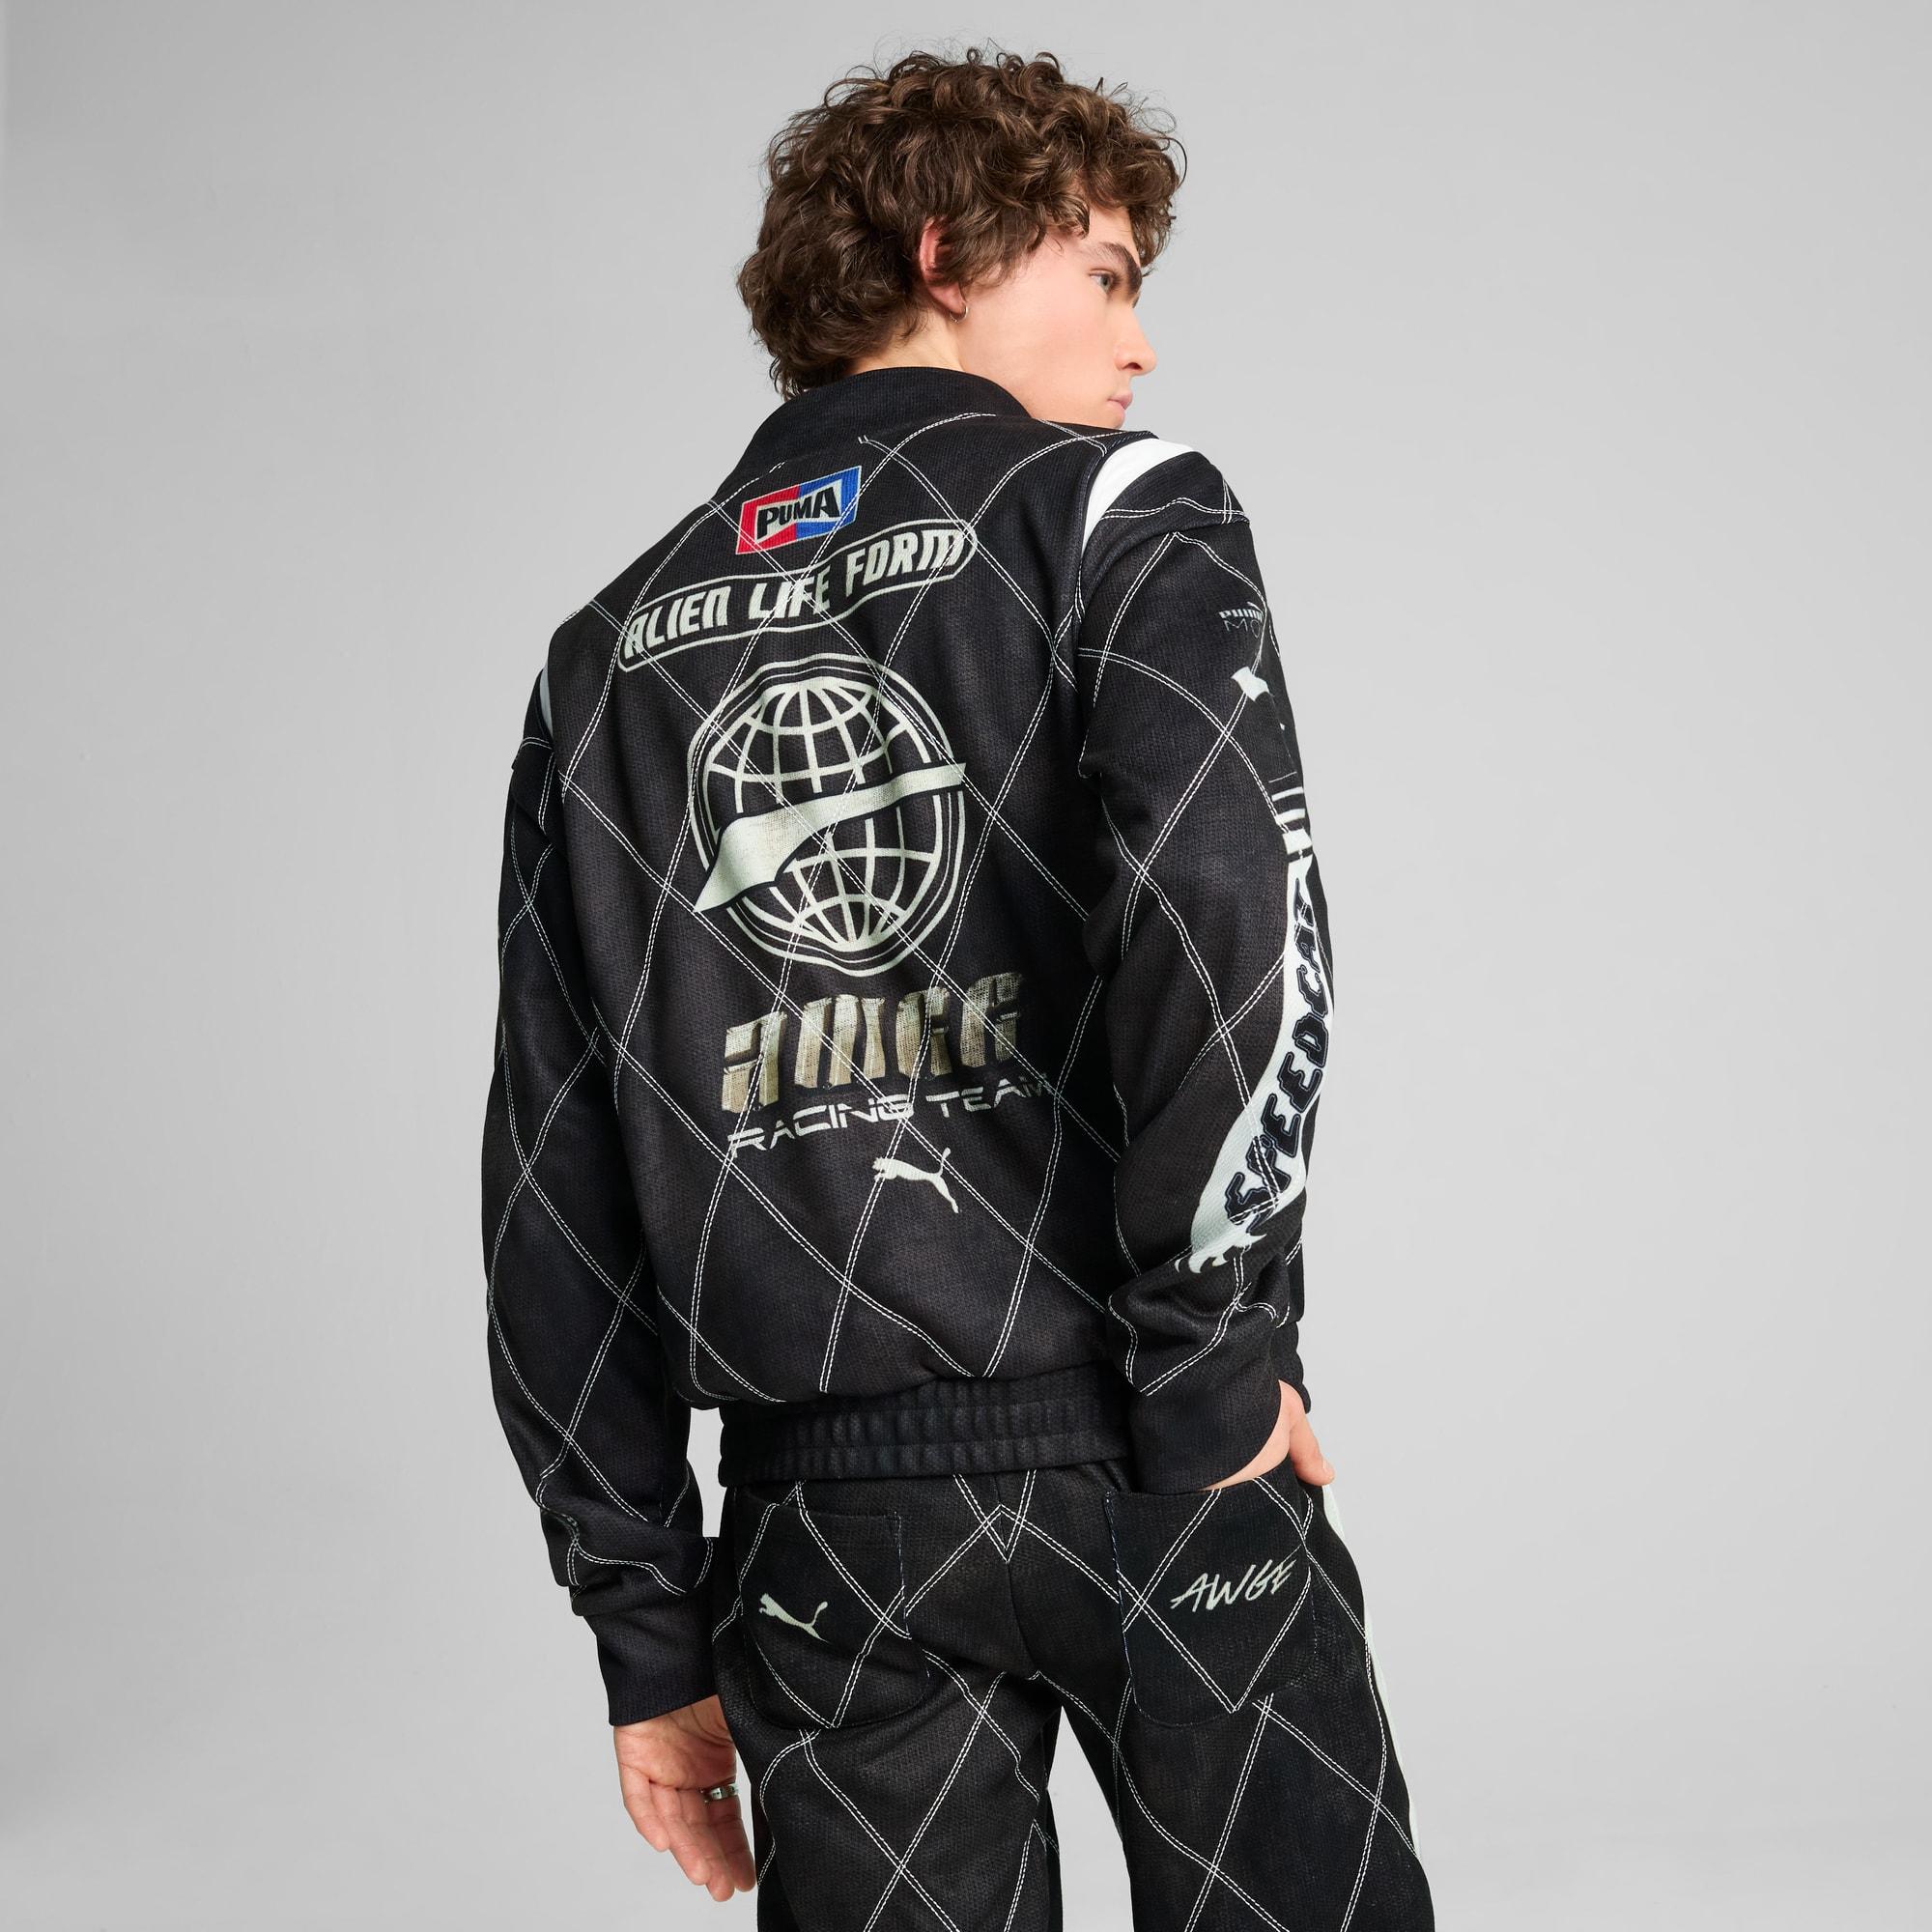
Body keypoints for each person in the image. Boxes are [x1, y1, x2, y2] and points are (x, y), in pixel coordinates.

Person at [480, 44, 1435, 1929]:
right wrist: (1218, 1371)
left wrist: (648, 1630)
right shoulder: (1118, 509)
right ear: (947, 253)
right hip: (1152, 1457)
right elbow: (1233, 923)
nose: (1139, 343)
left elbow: (552, 1177)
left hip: (822, 1540)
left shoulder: (604, 654)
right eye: (1106, 272)